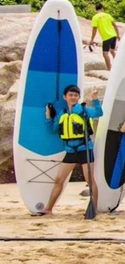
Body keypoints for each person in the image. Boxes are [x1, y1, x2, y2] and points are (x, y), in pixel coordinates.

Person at [41, 85, 103, 215]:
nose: (73, 97)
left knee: (90, 180)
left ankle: (94, 209)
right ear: (65, 97)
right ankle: (48, 209)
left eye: (75, 95)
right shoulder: (62, 114)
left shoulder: (83, 110)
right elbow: (51, 130)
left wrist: (95, 99)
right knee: (59, 179)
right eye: (70, 95)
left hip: (85, 149)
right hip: (70, 151)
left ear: (79, 97)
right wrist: (48, 116)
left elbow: (99, 113)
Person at [88, 4, 120, 71]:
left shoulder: (95, 17)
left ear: (96, 10)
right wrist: (118, 35)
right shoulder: (108, 15)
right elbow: (115, 25)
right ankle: (119, 65)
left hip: (106, 37)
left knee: (105, 53)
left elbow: (94, 29)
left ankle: (109, 69)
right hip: (113, 35)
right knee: (112, 51)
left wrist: (92, 39)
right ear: (102, 8)